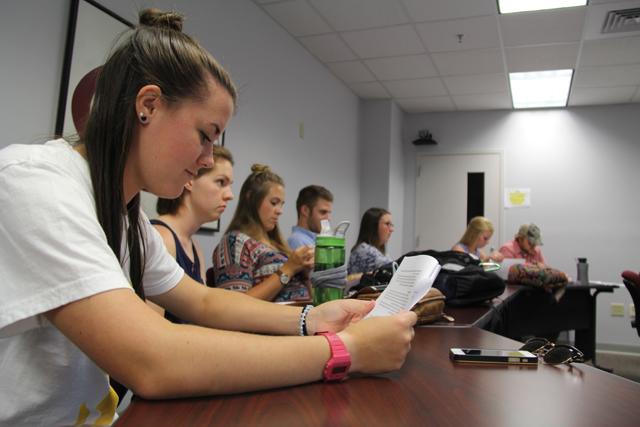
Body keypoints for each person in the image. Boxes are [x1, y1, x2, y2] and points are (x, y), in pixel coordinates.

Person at [0, 9, 416, 426]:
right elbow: (153, 359)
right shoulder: (35, 182)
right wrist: (345, 352)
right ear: (148, 106)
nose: (205, 160)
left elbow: (200, 299)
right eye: (205, 135)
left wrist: (311, 318)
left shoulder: (127, 218)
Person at [151, 145, 234, 323]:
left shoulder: (194, 246)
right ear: (189, 180)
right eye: (221, 182)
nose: (230, 195)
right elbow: (151, 330)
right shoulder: (161, 238)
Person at [209, 164, 315, 302]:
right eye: (274, 203)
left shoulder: (277, 244)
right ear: (251, 198)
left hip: (303, 317)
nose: (279, 210)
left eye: (281, 204)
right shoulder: (235, 242)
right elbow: (234, 306)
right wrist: (289, 269)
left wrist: (304, 273)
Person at [348, 208, 395, 274]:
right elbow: (394, 269)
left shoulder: (379, 251)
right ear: (373, 227)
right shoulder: (364, 250)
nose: (392, 229)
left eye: (391, 225)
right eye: (387, 224)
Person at [287, 185, 333, 250]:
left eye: (328, 213)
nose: (328, 219)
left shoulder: (314, 241)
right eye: (323, 212)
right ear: (305, 210)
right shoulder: (297, 241)